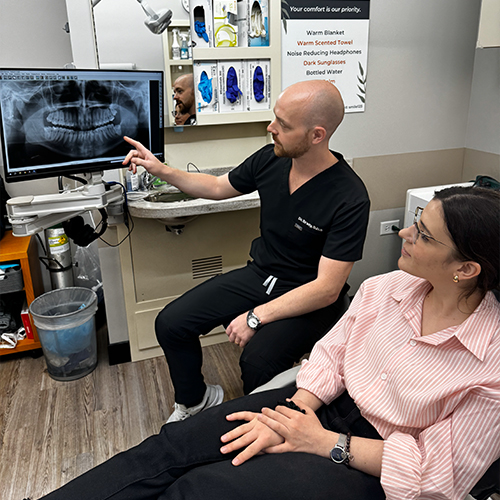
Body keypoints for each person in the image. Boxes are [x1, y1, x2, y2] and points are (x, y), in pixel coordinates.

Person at [36, 186, 500, 500]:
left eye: (423, 234)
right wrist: (295, 411)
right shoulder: (386, 288)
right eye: (415, 223)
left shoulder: (491, 363)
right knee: (172, 446)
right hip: (318, 406)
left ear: (466, 269)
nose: (405, 232)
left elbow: (440, 478)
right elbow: (333, 354)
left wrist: (323, 443)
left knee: (204, 489)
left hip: (373, 458)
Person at [123, 80, 371, 422]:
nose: (271, 128)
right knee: (171, 323)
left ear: (317, 135)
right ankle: (195, 401)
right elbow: (216, 185)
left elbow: (327, 289)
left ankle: (266, 431)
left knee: (258, 360)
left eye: (283, 125)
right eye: (275, 118)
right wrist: (160, 169)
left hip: (309, 295)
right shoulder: (272, 159)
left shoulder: (349, 196)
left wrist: (256, 317)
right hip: (261, 275)